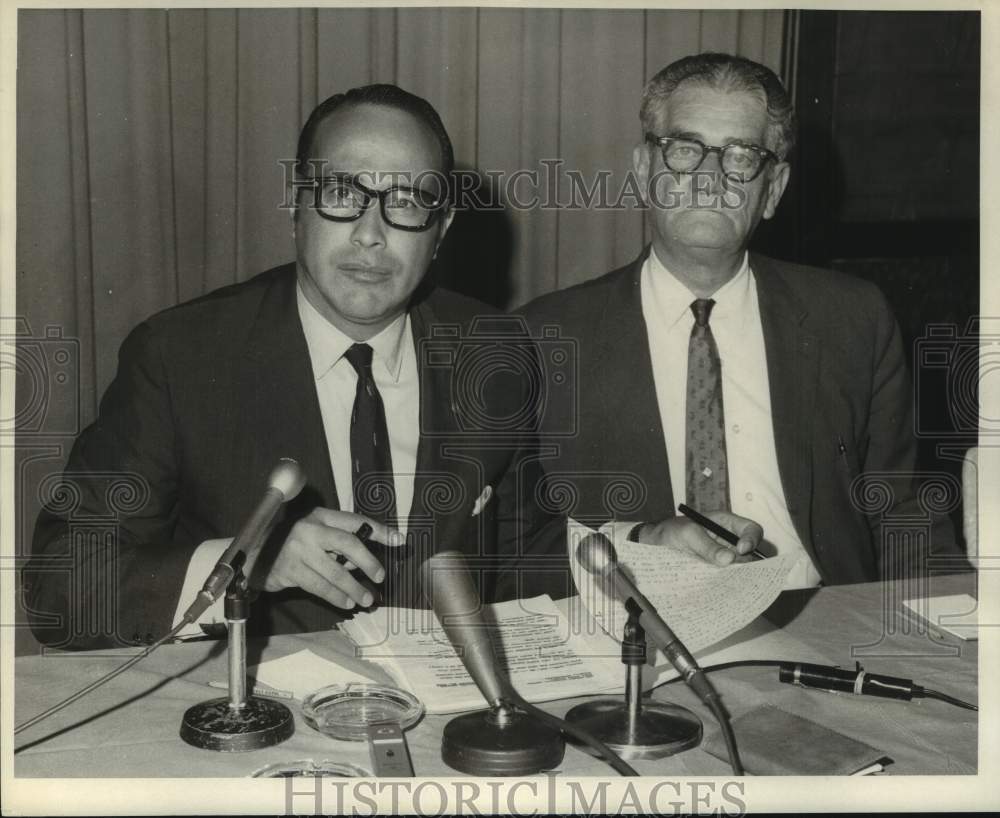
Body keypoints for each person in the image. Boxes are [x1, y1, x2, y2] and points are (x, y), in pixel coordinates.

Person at [26, 83, 762, 651]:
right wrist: (245, 563)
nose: (373, 237)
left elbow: (523, 550)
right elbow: (61, 586)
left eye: (408, 202)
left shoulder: (492, 350)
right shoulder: (182, 355)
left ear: (440, 231)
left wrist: (643, 545)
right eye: (345, 195)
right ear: (297, 203)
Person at [518, 53, 964, 587]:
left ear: (772, 190)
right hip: (636, 628)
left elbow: (904, 515)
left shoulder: (854, 319)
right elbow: (516, 543)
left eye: (740, 156)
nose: (709, 178)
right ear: (643, 172)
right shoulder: (542, 338)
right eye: (685, 149)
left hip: (823, 618)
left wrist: (955, 638)